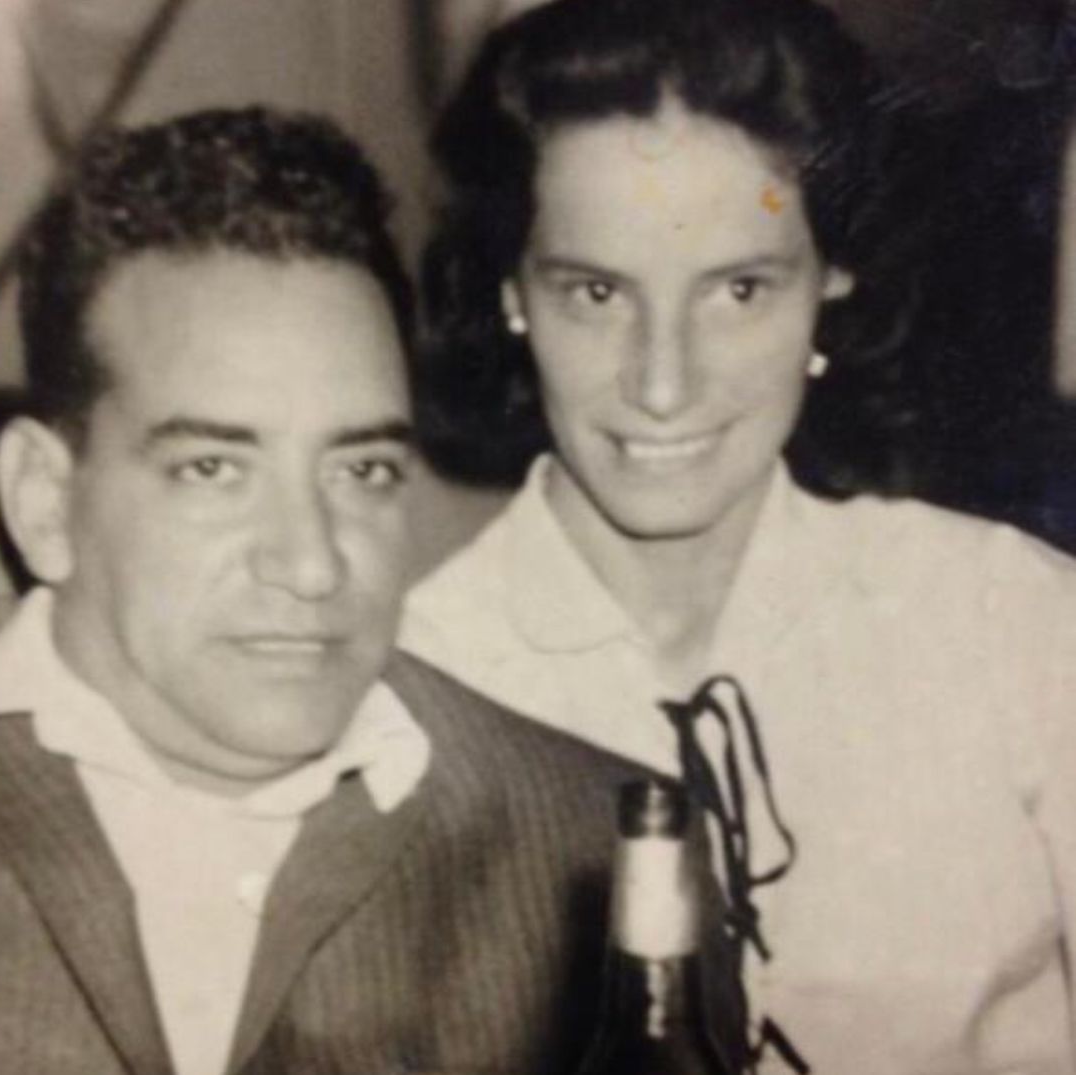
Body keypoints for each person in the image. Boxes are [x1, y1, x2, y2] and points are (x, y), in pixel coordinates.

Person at [0, 107, 674, 1075]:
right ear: (43, 499)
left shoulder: (601, 858)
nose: (312, 564)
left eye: (361, 472)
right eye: (214, 470)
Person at [400, 0, 1076, 1071]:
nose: (663, 384)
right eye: (596, 292)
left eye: (740, 289)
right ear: (511, 291)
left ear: (832, 279)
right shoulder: (409, 688)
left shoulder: (1015, 625)